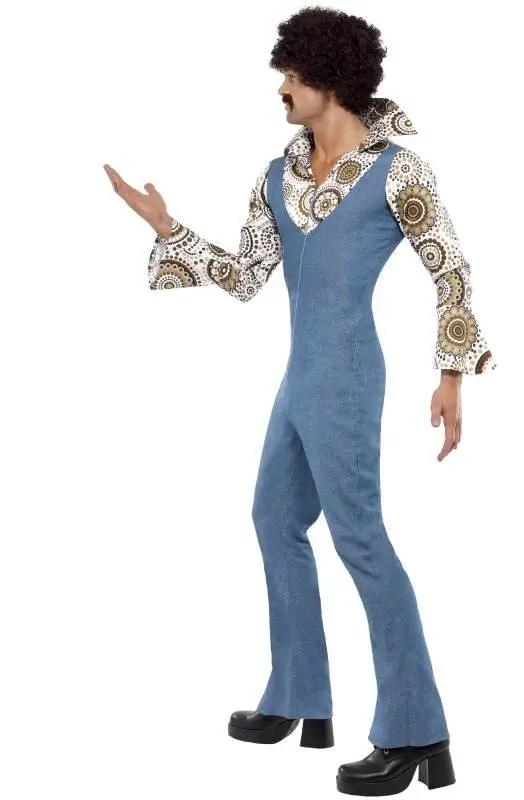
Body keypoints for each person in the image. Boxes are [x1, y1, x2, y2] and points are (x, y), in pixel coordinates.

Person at [104, 6, 496, 795]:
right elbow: (247, 277)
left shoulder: (400, 171)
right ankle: (300, 697)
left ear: (330, 79)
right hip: (299, 377)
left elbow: (450, 267)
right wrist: (169, 227)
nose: (280, 87)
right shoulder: (276, 174)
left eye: (291, 73)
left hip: (347, 375)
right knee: (274, 518)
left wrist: (452, 374)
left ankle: (416, 728)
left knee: (360, 540)